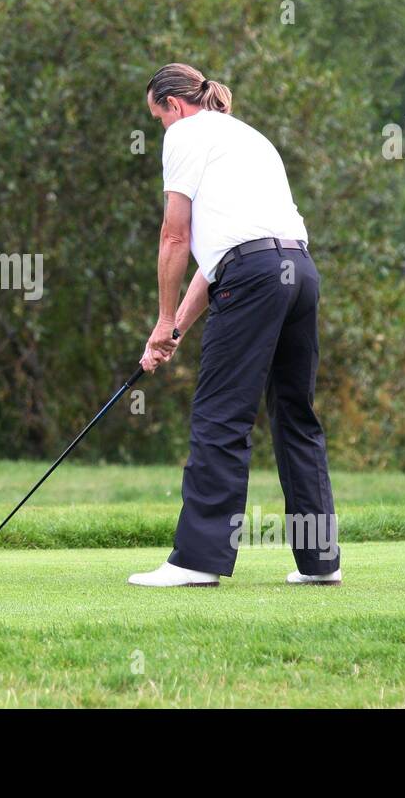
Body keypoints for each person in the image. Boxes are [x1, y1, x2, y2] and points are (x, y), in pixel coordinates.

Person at [129, 63, 340, 587]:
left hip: (253, 275)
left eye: (158, 117)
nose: (162, 128)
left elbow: (175, 237)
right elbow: (217, 257)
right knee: (295, 416)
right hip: (298, 272)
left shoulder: (184, 136)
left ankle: (197, 561)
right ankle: (321, 565)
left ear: (173, 105)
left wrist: (158, 317)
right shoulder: (247, 136)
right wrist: (174, 329)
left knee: (221, 416)